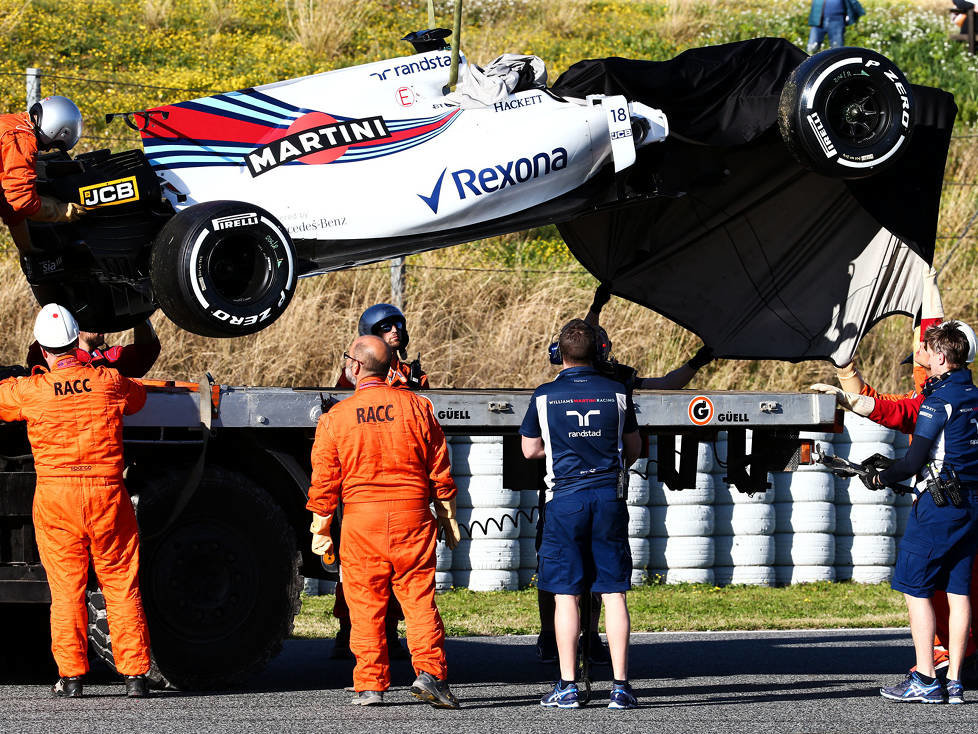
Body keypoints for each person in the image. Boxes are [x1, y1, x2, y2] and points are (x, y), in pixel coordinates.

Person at [534, 284, 713, 665]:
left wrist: (700, 360)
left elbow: (664, 384)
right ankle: (554, 635)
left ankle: (582, 639)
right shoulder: (607, 385)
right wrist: (597, 305)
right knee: (595, 575)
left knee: (567, 571)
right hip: (604, 491)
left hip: (566, 492)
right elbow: (584, 332)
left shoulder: (605, 380)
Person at [0, 304, 151, 698]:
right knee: (121, 583)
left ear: (42, 349)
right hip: (107, 495)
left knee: (66, 589)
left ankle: (71, 678)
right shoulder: (108, 381)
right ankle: (135, 676)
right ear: (75, 341)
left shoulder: (29, 391)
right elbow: (138, 398)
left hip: (56, 498)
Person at [307, 334, 461, 708]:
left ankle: (370, 685)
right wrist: (447, 511)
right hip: (412, 518)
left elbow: (324, 480)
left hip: (362, 522)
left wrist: (321, 526)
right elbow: (439, 465)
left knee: (365, 603)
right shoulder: (418, 406)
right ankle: (430, 675)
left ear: (356, 367)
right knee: (419, 599)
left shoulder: (335, 418)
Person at [521, 318, 642, 710]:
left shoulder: (543, 395)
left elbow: (530, 450)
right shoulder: (618, 392)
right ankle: (621, 687)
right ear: (600, 352)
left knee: (566, 596)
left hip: (565, 501)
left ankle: (568, 686)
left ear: (559, 354)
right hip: (608, 499)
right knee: (613, 593)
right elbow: (634, 448)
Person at [856, 323, 978, 705]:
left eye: (925, 350)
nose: (921, 355)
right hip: (971, 507)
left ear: (941, 358)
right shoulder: (974, 395)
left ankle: (925, 678)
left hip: (938, 509)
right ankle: (955, 682)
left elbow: (911, 461)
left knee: (915, 589)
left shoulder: (936, 401)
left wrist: (880, 477)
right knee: (959, 592)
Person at [330, 303, 427, 661]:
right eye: (386, 328)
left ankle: (390, 629)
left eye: (398, 326)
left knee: (402, 573)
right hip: (364, 477)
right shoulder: (354, 371)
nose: (395, 332)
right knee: (359, 570)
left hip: (401, 477)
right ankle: (347, 629)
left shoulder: (412, 375)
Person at [1, 96, 87, 255]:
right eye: (54, 145)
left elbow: (8, 202)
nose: (47, 150)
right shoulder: (21, 139)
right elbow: (22, 201)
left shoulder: (11, 124)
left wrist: (27, 248)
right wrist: (63, 211)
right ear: (55, 128)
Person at [335, 303, 427, 389]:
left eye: (398, 325)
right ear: (373, 334)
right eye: (386, 327)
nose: (394, 330)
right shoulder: (355, 373)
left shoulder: (414, 376)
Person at [26, 319, 161, 377]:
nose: (99, 324)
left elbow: (146, 352)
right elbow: (38, 352)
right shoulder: (51, 356)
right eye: (91, 320)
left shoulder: (111, 358)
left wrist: (139, 315)